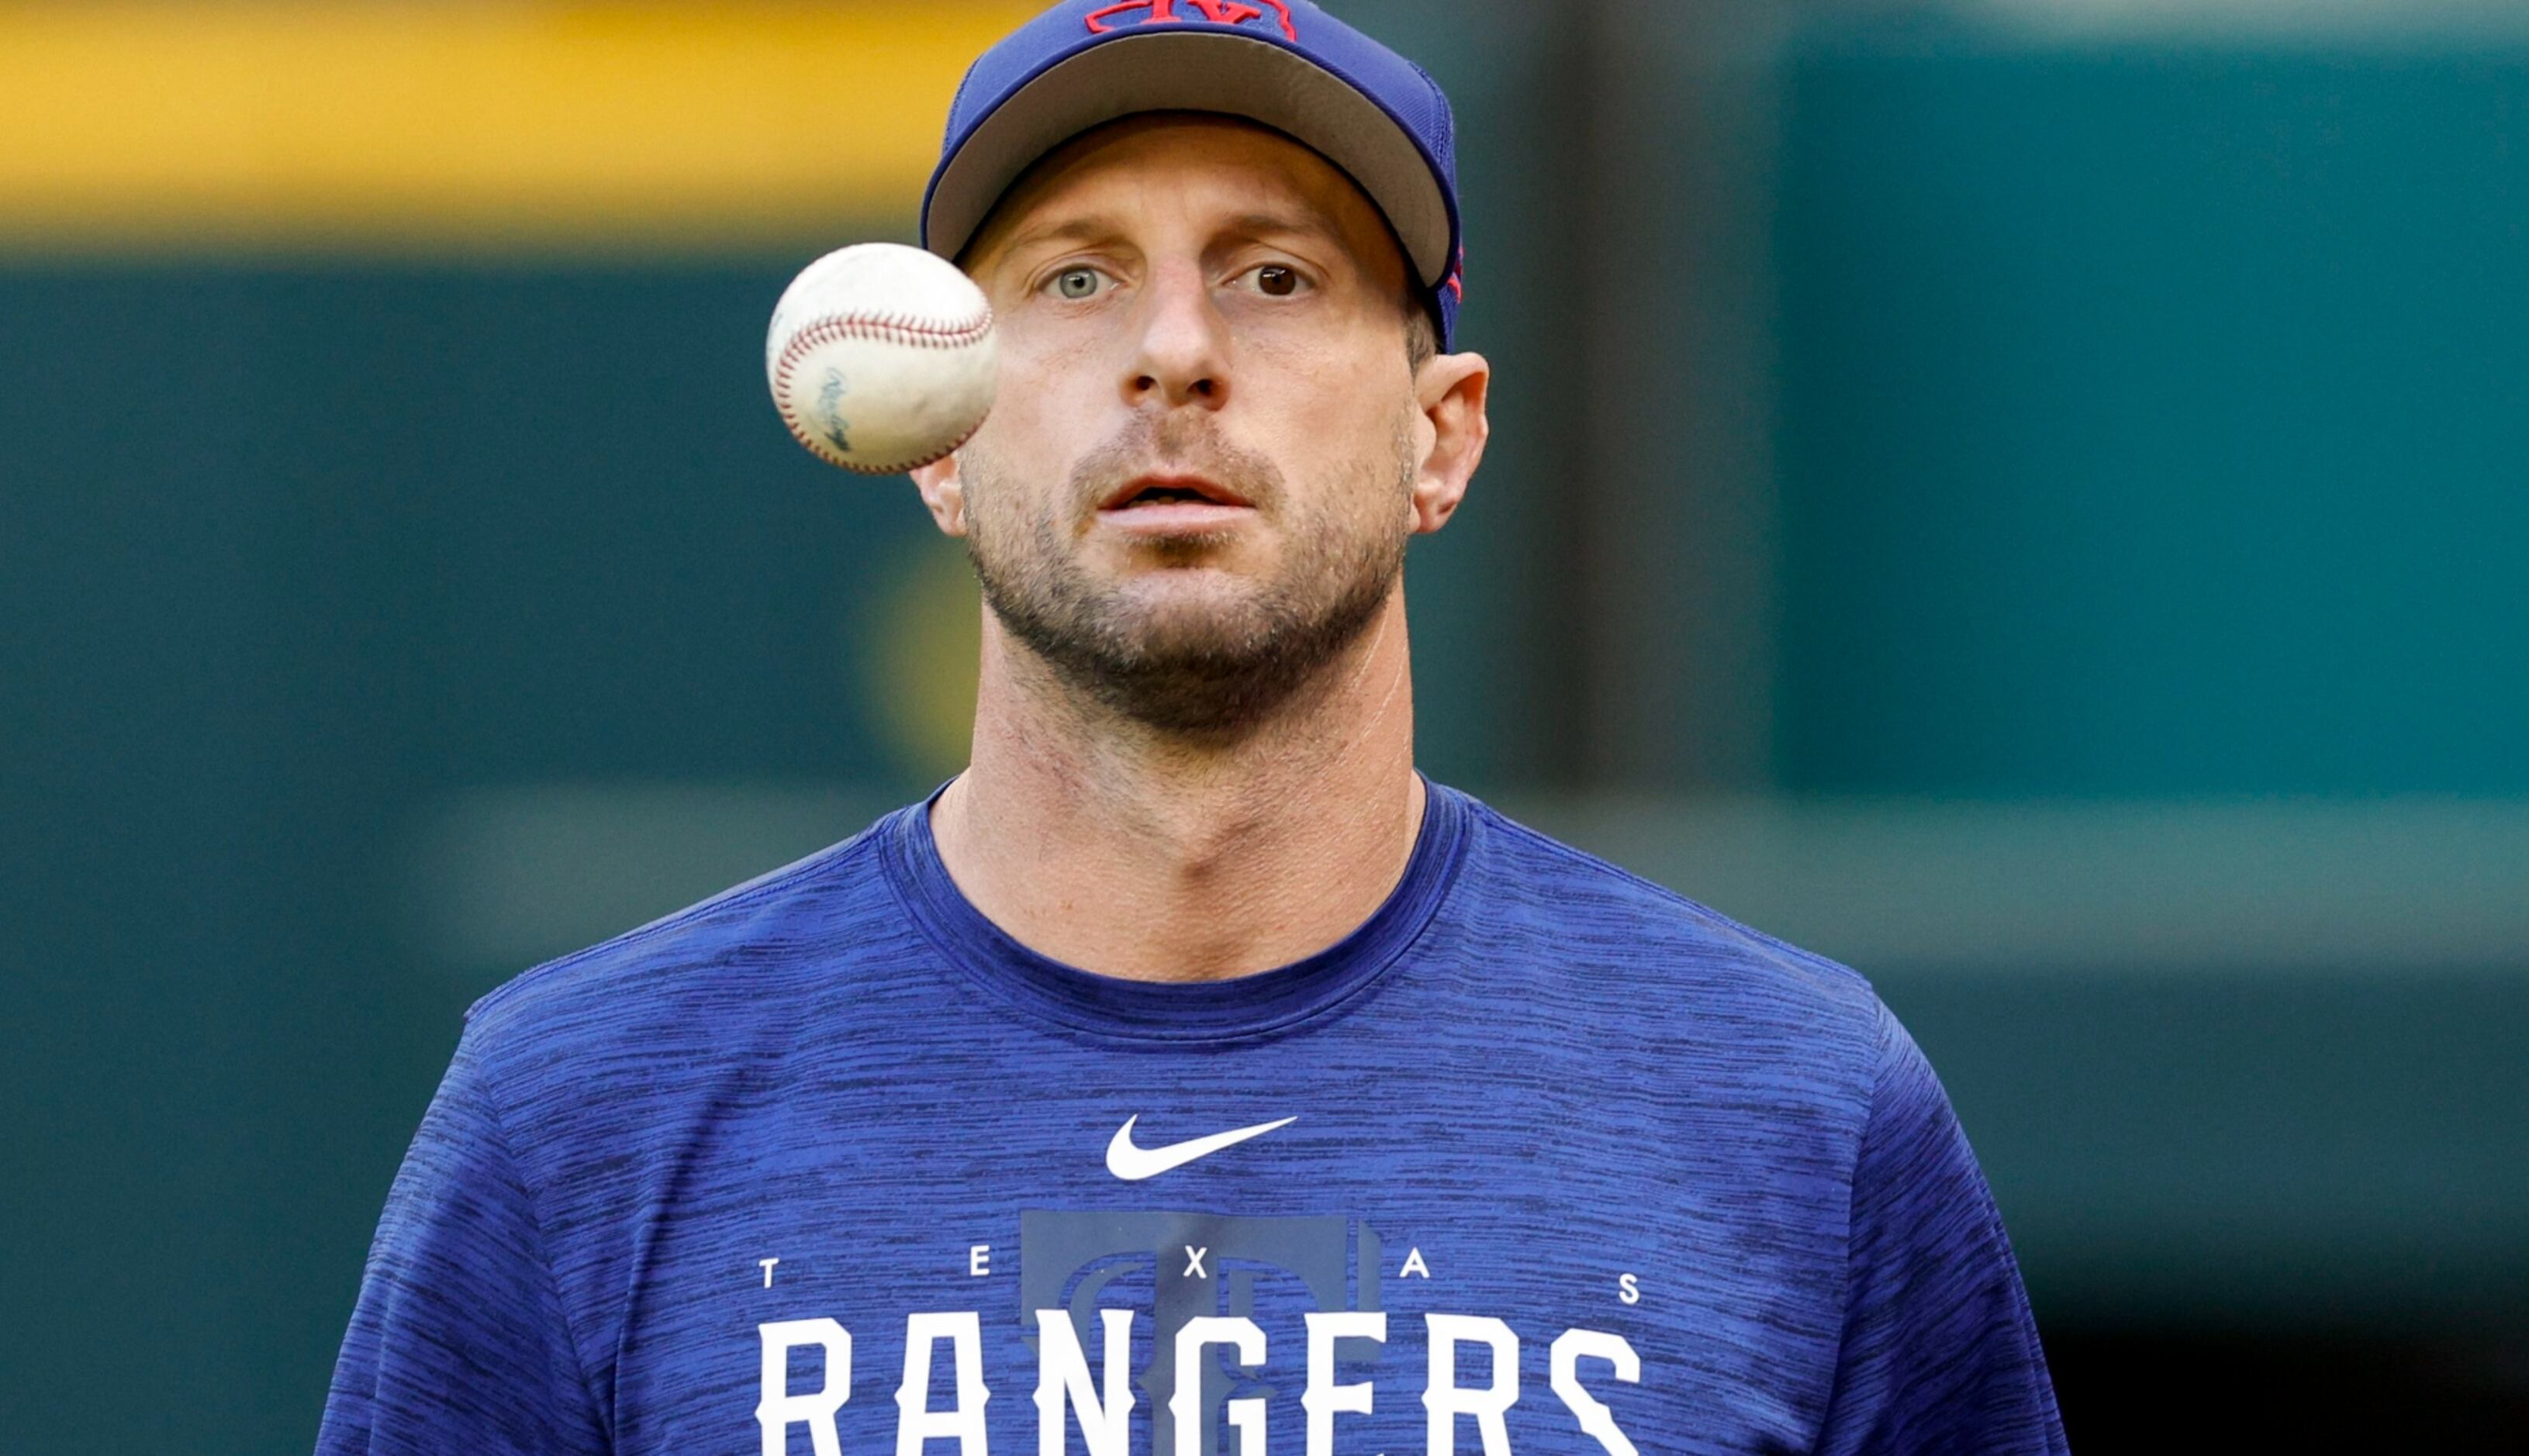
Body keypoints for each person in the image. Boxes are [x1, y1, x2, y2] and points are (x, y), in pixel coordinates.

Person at [317, 3, 2068, 1452]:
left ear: (1439, 435)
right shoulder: (580, 1116)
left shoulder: (1786, 1104)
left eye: (1277, 277)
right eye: (1073, 281)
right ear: (938, 434)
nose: (1172, 350)